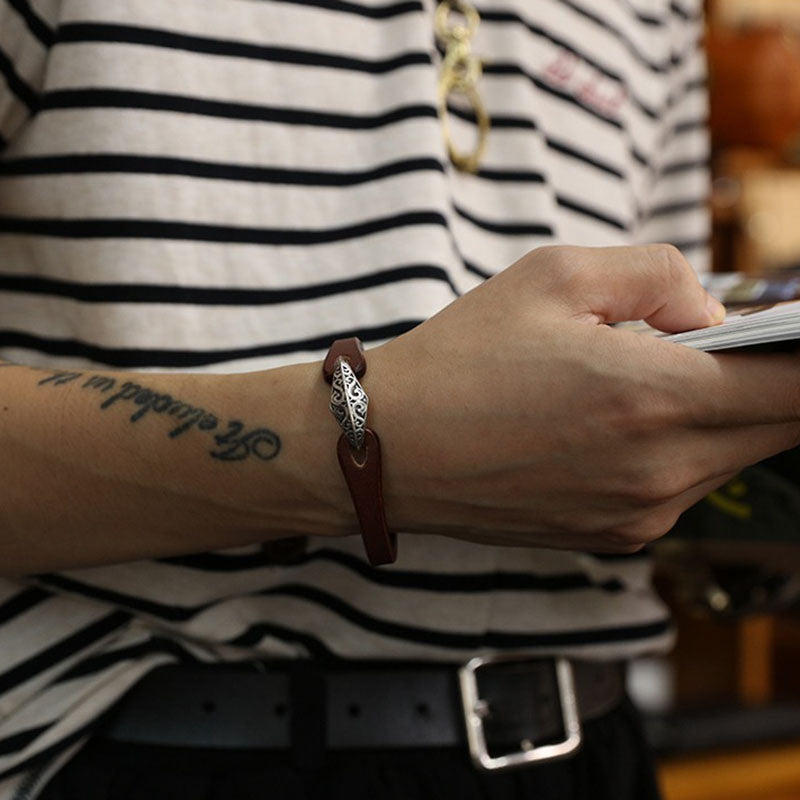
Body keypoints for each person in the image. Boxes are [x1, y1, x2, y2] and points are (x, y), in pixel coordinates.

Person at [0, 0, 798, 798]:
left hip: (593, 745)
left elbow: (674, 366)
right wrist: (370, 448)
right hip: (153, 744)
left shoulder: (655, 12)